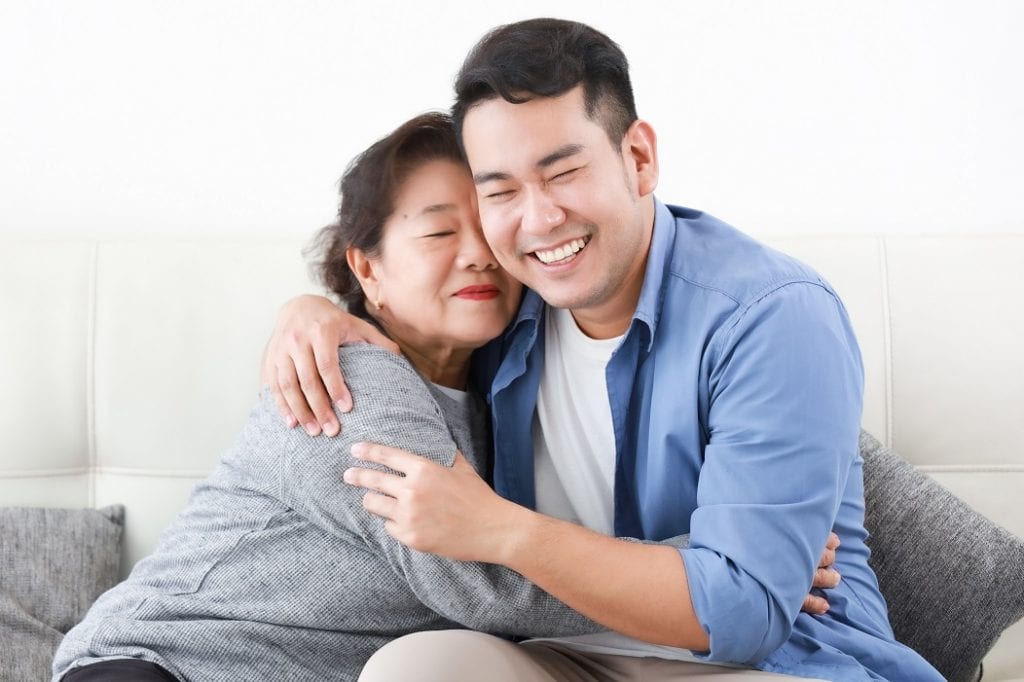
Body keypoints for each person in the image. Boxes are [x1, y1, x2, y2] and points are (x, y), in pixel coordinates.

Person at [262, 18, 943, 682]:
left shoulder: (771, 315)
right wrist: (313, 311)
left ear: (638, 158)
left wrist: (502, 531)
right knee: (414, 667)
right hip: (568, 653)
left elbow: (743, 610)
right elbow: (413, 309)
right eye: (500, 191)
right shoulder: (508, 307)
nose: (539, 220)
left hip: (766, 660)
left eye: (563, 173)